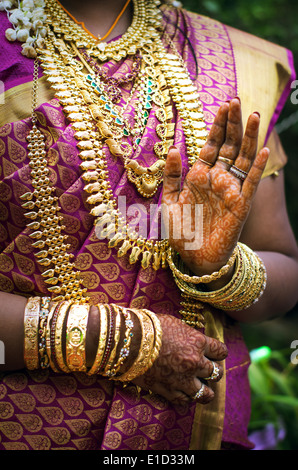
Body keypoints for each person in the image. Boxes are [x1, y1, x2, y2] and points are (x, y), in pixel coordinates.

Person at [0, 0, 297, 451]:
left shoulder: (234, 60)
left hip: (198, 426)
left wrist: (221, 268)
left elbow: (286, 266)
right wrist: (124, 343)